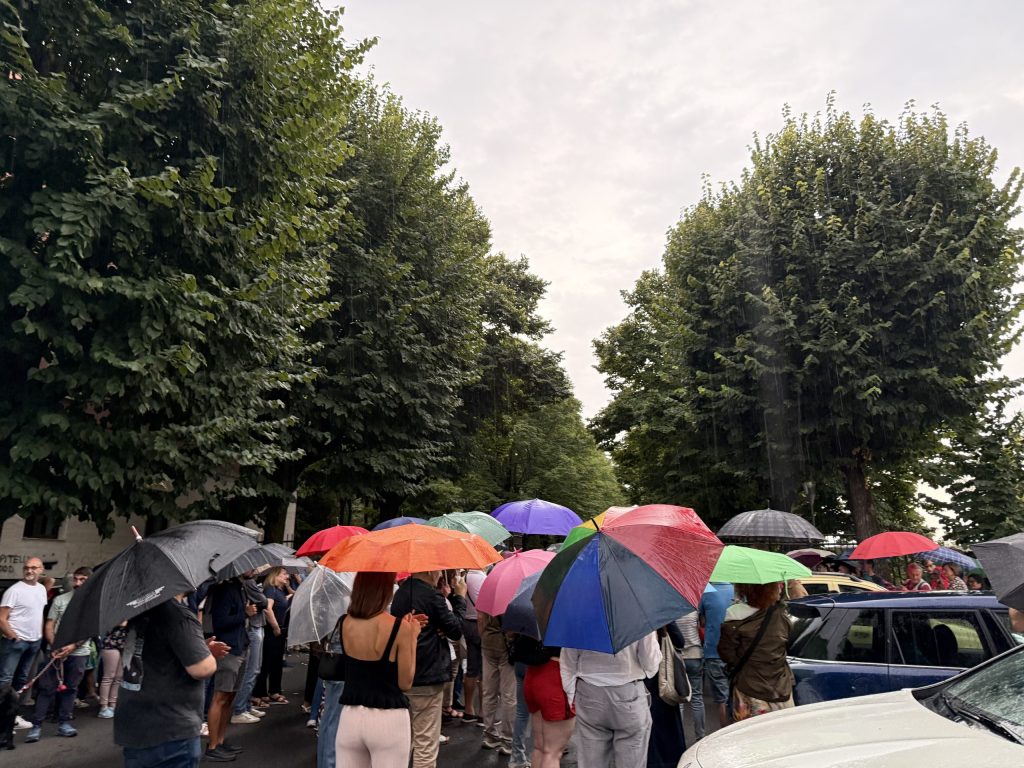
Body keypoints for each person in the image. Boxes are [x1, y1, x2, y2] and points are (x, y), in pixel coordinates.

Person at [114, 594, 229, 768]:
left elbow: (159, 655)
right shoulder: (177, 615)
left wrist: (197, 649)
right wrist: (208, 656)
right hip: (170, 726)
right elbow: (202, 669)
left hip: (135, 724)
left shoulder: (138, 611)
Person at [336, 571, 421, 768]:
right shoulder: (400, 628)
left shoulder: (344, 622)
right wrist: (412, 636)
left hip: (350, 715)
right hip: (388, 719)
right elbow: (405, 682)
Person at [390, 569, 467, 768]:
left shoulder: (401, 592)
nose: (441, 574)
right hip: (428, 672)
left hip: (404, 671)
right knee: (426, 742)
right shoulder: (432, 596)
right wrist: (459, 598)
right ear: (430, 570)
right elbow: (456, 630)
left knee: (406, 738)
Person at [560, 632, 661, 768]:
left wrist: (571, 695)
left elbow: (568, 663)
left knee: (591, 761)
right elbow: (650, 665)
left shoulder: (578, 617)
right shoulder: (638, 617)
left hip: (589, 692)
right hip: (628, 692)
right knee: (632, 758)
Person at [26, 566, 92, 742]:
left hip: (79, 652)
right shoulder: (61, 600)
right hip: (54, 652)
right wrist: (55, 645)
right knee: (46, 688)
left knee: (70, 689)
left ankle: (64, 722)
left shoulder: (91, 604)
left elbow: (88, 629)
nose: (77, 583)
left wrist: (72, 646)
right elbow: (49, 624)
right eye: (75, 579)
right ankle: (36, 726)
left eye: (82, 580)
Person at [718, 582, 795, 722]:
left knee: (750, 736)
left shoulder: (734, 613)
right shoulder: (780, 615)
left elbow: (726, 654)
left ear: (744, 589)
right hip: (780, 686)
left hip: (749, 686)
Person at [205, 577, 256, 762]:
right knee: (220, 696)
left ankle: (219, 740)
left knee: (230, 696)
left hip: (240, 645)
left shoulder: (239, 587)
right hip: (229, 649)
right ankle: (212, 745)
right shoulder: (224, 589)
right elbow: (220, 620)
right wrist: (245, 613)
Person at [0, 557, 47, 731]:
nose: (30, 571)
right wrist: (13, 636)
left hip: (34, 641)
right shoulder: (14, 591)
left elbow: (38, 614)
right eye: (27, 567)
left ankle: (12, 716)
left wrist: (40, 635)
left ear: (41, 570)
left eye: (34, 567)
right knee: (5, 680)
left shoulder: (41, 589)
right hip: (16, 642)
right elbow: (1, 618)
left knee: (21, 680)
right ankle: (3, 718)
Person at [517, 637, 572, 768]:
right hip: (555, 676)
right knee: (552, 752)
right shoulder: (566, 618)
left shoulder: (534, 617)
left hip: (533, 675)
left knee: (540, 747)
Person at [229, 572, 268, 724]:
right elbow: (263, 601)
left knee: (253, 669)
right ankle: (240, 708)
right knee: (251, 670)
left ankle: (246, 704)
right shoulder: (248, 582)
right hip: (253, 626)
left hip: (255, 625)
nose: (255, 569)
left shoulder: (246, 582)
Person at [478, 608, 515, 754]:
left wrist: (483, 636)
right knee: (509, 695)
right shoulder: (514, 594)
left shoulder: (489, 592)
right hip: (505, 644)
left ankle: (490, 734)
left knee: (489, 691)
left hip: (487, 642)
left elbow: (480, 618)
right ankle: (508, 739)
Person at [252, 567, 289, 708]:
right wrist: (276, 627)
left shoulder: (279, 590)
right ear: (275, 575)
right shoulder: (270, 589)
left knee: (276, 662)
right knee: (267, 662)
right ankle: (259, 693)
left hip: (279, 632)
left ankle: (274, 691)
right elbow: (268, 609)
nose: (287, 577)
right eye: (284, 574)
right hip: (272, 631)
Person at [700, 582, 733, 730]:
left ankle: (725, 734)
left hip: (713, 651)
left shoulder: (706, 592)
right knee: (736, 695)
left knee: (722, 699)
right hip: (735, 651)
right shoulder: (737, 590)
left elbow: (701, 621)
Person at [675, 609, 704, 740]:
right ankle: (700, 736)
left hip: (678, 657)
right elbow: (701, 626)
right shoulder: (694, 610)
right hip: (695, 654)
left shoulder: (671, 612)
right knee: (697, 698)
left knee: (680, 700)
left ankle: (679, 737)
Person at [461, 570, 485, 724]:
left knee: (471, 668)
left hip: (466, 623)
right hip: (480, 622)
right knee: (484, 670)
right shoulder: (484, 578)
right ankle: (483, 712)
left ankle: (468, 709)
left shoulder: (462, 578)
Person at [98, 622, 128, 718]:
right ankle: (104, 706)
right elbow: (122, 624)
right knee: (109, 676)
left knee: (119, 676)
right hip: (111, 643)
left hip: (124, 644)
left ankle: (113, 704)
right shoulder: (113, 613)